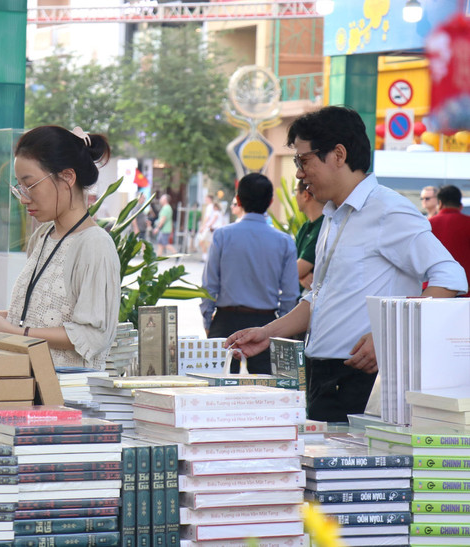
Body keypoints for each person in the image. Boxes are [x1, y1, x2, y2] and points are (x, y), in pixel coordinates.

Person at [225, 106, 467, 423]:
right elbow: (318, 297)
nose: (299, 173)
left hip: (361, 380)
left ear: (338, 154)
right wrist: (267, 333)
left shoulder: (387, 209)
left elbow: (450, 276)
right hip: (321, 373)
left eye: (304, 160)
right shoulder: (333, 216)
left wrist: (390, 339)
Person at [0, 125, 121, 369]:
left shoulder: (94, 245)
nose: (24, 198)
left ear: (67, 177)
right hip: (28, 388)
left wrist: (13, 330)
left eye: (31, 185)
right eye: (19, 188)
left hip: (67, 397)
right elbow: (40, 316)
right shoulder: (44, 235)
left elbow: (91, 335)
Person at [200, 173, 299, 374]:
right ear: (270, 201)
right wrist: (279, 330)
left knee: (217, 393)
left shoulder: (222, 235)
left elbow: (209, 285)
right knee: (264, 393)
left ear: (238, 199)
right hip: (266, 324)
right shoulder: (284, 241)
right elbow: (290, 294)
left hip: (225, 322)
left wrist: (209, 321)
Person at [429, 185, 470, 295]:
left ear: (440, 203)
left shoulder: (427, 225)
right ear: (460, 205)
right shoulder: (468, 223)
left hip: (433, 289)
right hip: (465, 288)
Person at [294, 180, 325, 291]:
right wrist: (300, 278)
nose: (295, 196)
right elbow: (291, 268)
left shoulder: (323, 226)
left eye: (296, 192)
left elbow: (293, 270)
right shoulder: (305, 227)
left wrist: (298, 275)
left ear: (306, 195)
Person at [197, 195, 222, 260]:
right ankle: (208, 256)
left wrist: (203, 226)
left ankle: (206, 256)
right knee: (208, 241)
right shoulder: (212, 208)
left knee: (203, 240)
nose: (205, 200)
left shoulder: (210, 207)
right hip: (211, 227)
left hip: (209, 228)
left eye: (206, 198)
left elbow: (208, 218)